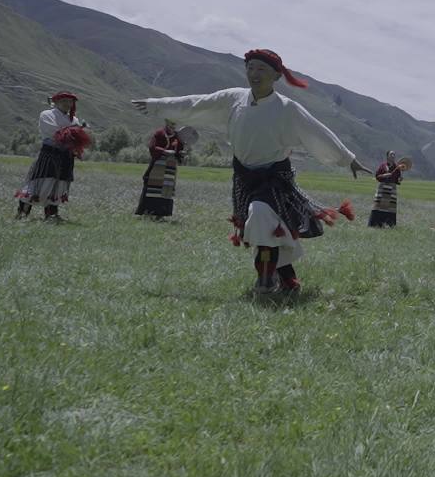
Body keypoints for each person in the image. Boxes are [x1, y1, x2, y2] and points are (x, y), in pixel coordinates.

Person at [133, 49, 368, 295]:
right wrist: (156, 105)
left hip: (275, 177)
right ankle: (288, 280)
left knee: (260, 216)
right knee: (264, 228)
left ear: (276, 76)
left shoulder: (287, 108)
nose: (254, 74)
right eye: (251, 68)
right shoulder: (233, 98)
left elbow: (317, 131)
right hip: (243, 177)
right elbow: (197, 103)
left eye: (261, 69)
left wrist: (348, 159)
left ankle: (265, 280)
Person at [15, 91, 91, 222]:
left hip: (66, 156)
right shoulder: (46, 115)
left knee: (59, 184)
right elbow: (55, 133)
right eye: (64, 101)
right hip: (50, 153)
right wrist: (74, 131)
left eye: (70, 102)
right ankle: (23, 212)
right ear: (55, 102)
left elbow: (73, 135)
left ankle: (51, 214)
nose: (67, 104)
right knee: (40, 181)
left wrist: (76, 133)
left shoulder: (74, 119)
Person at [135, 120, 186, 219]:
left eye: (174, 124)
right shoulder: (159, 133)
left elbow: (179, 151)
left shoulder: (177, 137)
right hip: (158, 166)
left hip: (170, 169)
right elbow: (152, 147)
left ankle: (161, 214)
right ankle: (148, 212)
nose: (173, 126)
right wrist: (164, 151)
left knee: (166, 190)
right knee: (153, 189)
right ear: (167, 123)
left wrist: (181, 154)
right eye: (171, 124)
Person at [369, 151, 406, 228]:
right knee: (378, 206)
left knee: (390, 208)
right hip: (382, 189)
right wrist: (384, 175)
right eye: (391, 154)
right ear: (387, 156)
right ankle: (375, 224)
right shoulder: (382, 166)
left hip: (392, 190)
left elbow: (397, 181)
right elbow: (377, 176)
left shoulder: (397, 167)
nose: (393, 156)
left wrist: (400, 179)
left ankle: (389, 225)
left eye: (394, 154)